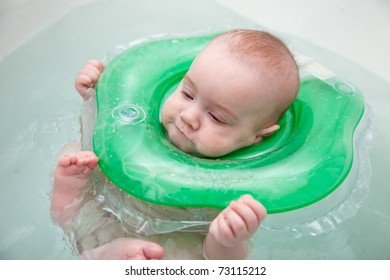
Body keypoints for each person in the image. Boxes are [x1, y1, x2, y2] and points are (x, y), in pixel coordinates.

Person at [51, 29, 300, 260]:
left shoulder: (239, 185)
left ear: (258, 136)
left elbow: (224, 265)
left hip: (161, 242)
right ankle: (70, 190)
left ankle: (112, 255)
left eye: (216, 117)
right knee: (77, 156)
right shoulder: (145, 126)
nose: (188, 117)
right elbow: (106, 133)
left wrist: (227, 240)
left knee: (189, 255)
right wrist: (94, 99)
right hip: (100, 215)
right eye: (187, 94)